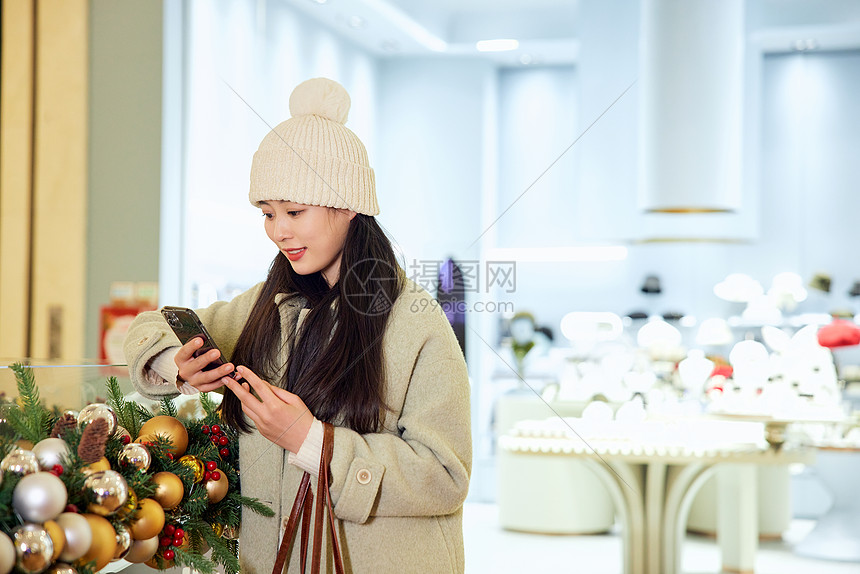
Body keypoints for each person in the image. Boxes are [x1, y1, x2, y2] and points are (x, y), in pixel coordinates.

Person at [123, 77, 472, 573]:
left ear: (348, 206)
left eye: (294, 211)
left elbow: (445, 475)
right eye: (267, 213)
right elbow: (150, 327)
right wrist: (175, 364)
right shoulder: (271, 306)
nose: (278, 231)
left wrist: (312, 440)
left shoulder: (415, 322)